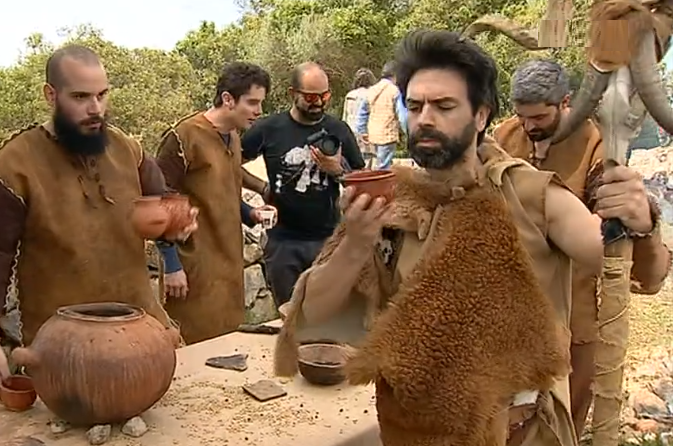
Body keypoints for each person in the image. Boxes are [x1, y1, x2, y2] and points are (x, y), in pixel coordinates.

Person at [275, 30, 665, 445]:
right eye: (415, 105)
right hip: (410, 431)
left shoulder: (531, 195)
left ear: (480, 115)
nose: (425, 118)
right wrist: (355, 242)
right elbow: (313, 314)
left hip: (514, 434)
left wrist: (642, 224)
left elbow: (638, 273)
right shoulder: (394, 198)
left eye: (444, 106)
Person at [0, 45, 196, 401]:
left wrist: (177, 223)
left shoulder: (126, 150)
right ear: (50, 95)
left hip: (140, 336)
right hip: (62, 352)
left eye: (102, 95)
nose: (96, 109)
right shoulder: (13, 166)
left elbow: (165, 203)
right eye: (81, 97)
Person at [493, 59, 671, 439]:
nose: (528, 126)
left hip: (574, 323)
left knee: (562, 424)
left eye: (539, 117)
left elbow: (617, 245)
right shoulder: (505, 137)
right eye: (522, 116)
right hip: (508, 316)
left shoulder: (597, 148)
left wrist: (642, 224)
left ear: (566, 103)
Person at [155, 62, 275, 345]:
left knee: (225, 345)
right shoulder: (183, 137)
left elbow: (222, 189)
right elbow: (159, 200)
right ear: (227, 99)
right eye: (252, 103)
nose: (259, 111)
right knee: (190, 348)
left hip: (227, 264)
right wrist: (172, 265)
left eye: (261, 103)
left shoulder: (233, 136)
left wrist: (251, 213)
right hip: (193, 266)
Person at [241, 62, 366, 309]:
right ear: (292, 94)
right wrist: (261, 187)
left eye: (324, 96)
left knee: (330, 315)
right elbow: (229, 163)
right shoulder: (268, 129)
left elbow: (361, 180)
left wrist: (337, 170)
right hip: (282, 243)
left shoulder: (338, 130)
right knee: (288, 316)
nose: (319, 103)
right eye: (310, 97)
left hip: (328, 240)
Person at [356, 61, 408, 170]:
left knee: (376, 163)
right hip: (387, 134)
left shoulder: (372, 90)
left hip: (373, 134)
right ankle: (381, 186)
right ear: (396, 75)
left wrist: (362, 131)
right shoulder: (394, 91)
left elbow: (362, 112)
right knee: (384, 166)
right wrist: (408, 132)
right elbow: (402, 116)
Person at [343, 68, 377, 168]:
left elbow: (345, 116)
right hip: (366, 132)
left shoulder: (350, 95)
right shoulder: (372, 94)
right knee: (367, 161)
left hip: (351, 131)